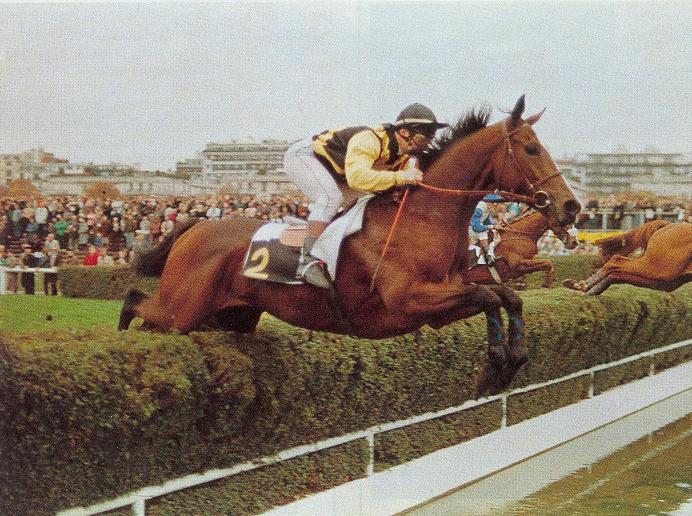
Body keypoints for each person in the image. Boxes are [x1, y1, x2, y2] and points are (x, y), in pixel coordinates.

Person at [283, 103, 448, 287]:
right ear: (404, 132)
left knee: (362, 200)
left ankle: (321, 236)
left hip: (336, 170)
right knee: (331, 199)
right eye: (422, 138)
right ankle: (307, 261)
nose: (424, 145)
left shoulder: (404, 155)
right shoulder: (369, 139)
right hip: (305, 157)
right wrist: (401, 177)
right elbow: (357, 179)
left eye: (429, 139)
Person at [470, 193, 504, 265]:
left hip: (474, 229)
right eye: (496, 204)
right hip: (468, 230)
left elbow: (487, 221)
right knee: (483, 232)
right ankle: (486, 257)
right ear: (489, 202)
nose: (498, 206)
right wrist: (492, 226)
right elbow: (475, 227)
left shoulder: (487, 207)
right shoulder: (480, 208)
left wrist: (496, 225)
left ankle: (490, 253)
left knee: (494, 232)